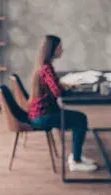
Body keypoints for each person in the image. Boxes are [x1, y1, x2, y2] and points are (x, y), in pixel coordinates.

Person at [27, 35, 98, 172]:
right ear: (52, 50)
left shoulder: (42, 65)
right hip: (42, 116)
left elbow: (53, 85)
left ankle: (76, 157)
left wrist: (62, 84)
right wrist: (65, 87)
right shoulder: (47, 68)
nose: (62, 50)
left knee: (78, 118)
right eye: (59, 48)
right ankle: (75, 161)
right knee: (80, 119)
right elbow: (57, 92)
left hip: (39, 113)